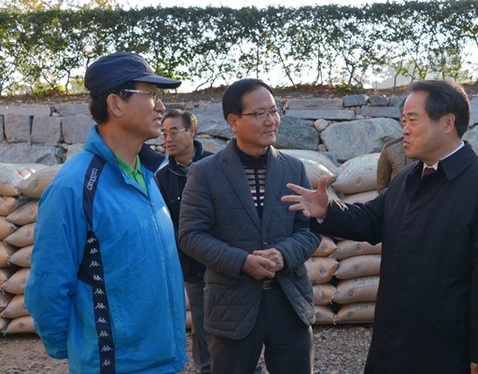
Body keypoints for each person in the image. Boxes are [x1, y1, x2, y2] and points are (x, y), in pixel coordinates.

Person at [282, 79, 478, 374]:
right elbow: (371, 221)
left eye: (412, 120)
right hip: (393, 336)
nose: (404, 129)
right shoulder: (407, 178)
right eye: (402, 120)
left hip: (448, 346)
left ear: (447, 122)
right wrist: (327, 210)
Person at [25, 51, 188, 374]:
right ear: (115, 104)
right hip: (115, 366)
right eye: (151, 94)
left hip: (165, 360)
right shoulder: (74, 188)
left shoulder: (148, 175)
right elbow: (47, 287)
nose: (160, 106)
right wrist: (77, 349)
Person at [178, 78, 321, 374]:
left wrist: (284, 254)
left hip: (289, 299)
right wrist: (241, 261)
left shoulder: (294, 168)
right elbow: (191, 235)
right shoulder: (205, 173)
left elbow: (308, 231)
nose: (271, 120)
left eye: (274, 111)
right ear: (233, 121)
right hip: (233, 303)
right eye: (259, 114)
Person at [155, 109, 213, 374]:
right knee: (201, 324)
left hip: (223, 260)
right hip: (190, 265)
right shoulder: (163, 178)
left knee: (234, 321)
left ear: (191, 131)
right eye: (164, 133)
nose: (167, 139)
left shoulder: (218, 166)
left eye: (173, 131)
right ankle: (207, 368)